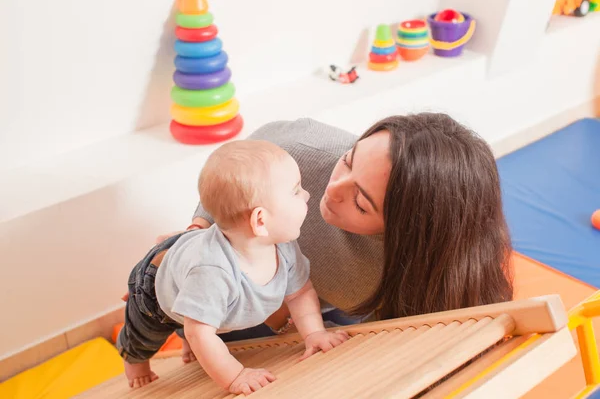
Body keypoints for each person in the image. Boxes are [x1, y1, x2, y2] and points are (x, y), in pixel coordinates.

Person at [164, 113, 513, 343]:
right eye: (348, 160)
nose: (331, 190)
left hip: (319, 304)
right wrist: (199, 229)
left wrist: (290, 317)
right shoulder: (296, 153)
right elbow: (231, 176)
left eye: (361, 203)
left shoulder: (422, 277)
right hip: (254, 288)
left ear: (404, 234)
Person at [117, 140, 349, 394]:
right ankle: (134, 360)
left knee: (201, 313)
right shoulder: (212, 272)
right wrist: (235, 375)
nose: (306, 195)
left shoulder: (282, 245)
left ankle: (187, 340)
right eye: (296, 191)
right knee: (149, 333)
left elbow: (300, 293)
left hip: (189, 260)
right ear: (260, 221)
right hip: (156, 283)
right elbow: (200, 333)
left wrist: (314, 333)